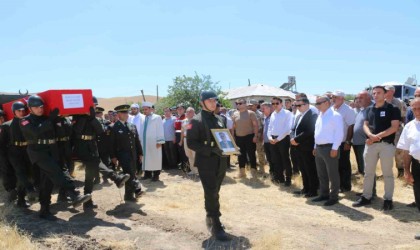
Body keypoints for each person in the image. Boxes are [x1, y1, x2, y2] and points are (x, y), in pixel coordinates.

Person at [19, 95, 92, 219]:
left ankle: (44, 210)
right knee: (56, 172)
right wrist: (51, 120)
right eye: (36, 107)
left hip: (52, 150)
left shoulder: (47, 118)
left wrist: (60, 117)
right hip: (38, 153)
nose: (40, 109)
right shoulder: (25, 121)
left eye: (41, 107)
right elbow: (36, 132)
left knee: (47, 182)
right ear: (30, 108)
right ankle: (74, 194)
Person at [72, 96, 130, 210]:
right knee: (95, 162)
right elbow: (77, 130)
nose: (94, 107)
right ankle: (115, 178)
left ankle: (87, 201)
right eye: (92, 105)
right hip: (81, 145)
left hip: (92, 145)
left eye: (95, 105)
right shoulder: (78, 115)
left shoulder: (94, 118)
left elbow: (100, 131)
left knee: (90, 173)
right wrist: (85, 116)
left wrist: (92, 118)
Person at [187, 90, 230, 241]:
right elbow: (191, 143)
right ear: (202, 102)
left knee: (215, 190)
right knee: (210, 191)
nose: (213, 103)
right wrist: (211, 150)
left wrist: (231, 147)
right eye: (210, 100)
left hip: (221, 160)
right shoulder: (196, 120)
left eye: (215, 100)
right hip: (206, 161)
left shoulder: (219, 118)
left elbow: (224, 137)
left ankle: (210, 215)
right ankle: (216, 223)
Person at [352, 85, 401, 211]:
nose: (375, 95)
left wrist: (377, 136)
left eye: (378, 93)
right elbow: (365, 125)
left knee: (387, 174)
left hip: (386, 145)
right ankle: (366, 197)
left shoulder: (393, 108)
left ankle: (388, 200)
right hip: (371, 145)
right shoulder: (369, 109)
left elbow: (394, 127)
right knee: (368, 173)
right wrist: (370, 135)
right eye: (374, 93)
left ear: (385, 94)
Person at [0, 101, 37, 207]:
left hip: (27, 150)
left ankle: (21, 199)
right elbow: (2, 143)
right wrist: (4, 159)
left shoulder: (29, 123)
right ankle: (30, 189)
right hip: (14, 152)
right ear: (14, 112)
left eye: (23, 110)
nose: (21, 112)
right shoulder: (7, 125)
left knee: (27, 173)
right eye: (18, 111)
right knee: (20, 172)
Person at [312, 95, 343, 206]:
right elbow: (317, 132)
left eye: (318, 103)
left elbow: (339, 133)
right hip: (319, 148)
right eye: (316, 103)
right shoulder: (320, 116)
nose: (317, 106)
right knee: (322, 173)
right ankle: (324, 194)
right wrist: (315, 146)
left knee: (332, 174)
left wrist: (335, 148)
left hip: (330, 148)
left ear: (326, 103)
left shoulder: (335, 115)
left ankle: (334, 197)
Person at [110, 105, 143, 202]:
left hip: (134, 154)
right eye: (124, 113)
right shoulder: (114, 127)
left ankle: (129, 195)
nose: (127, 114)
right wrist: (113, 157)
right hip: (123, 155)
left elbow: (137, 141)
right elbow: (111, 144)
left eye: (127, 112)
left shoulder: (132, 126)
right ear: (119, 114)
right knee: (130, 173)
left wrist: (140, 153)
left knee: (131, 173)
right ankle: (137, 189)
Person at [290, 98, 319, 197]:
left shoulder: (313, 115)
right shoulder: (299, 116)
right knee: (303, 169)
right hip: (298, 147)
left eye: (299, 105)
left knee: (310, 169)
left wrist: (296, 140)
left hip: (307, 147)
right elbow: (293, 129)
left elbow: (310, 131)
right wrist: (292, 138)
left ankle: (313, 190)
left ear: (307, 104)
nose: (297, 107)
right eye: (296, 105)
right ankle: (305, 188)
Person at [397, 97, 420, 213]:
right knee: (419, 197)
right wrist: (406, 170)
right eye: (414, 109)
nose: (417, 112)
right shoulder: (409, 126)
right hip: (417, 166)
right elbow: (406, 151)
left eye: (419, 108)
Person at [331, 90, 356, 192]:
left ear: (341, 98)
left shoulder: (348, 110)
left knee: (344, 164)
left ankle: (345, 186)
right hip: (333, 142)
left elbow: (351, 126)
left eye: (335, 97)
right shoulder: (332, 108)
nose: (333, 99)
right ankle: (338, 185)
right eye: (332, 97)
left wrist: (348, 141)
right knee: (335, 165)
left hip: (343, 142)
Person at [267, 97, 293, 186]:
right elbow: (270, 127)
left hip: (283, 139)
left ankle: (288, 179)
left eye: (276, 103)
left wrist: (278, 139)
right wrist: (270, 137)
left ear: (281, 104)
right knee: (275, 159)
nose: (274, 105)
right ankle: (279, 178)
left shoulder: (287, 113)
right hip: (273, 139)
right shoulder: (273, 114)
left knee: (285, 159)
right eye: (273, 103)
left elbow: (288, 128)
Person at [384, 84, 407, 177]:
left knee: (398, 152)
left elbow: (403, 116)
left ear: (392, 91)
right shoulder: (382, 102)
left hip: (397, 131)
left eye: (386, 90)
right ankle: (386, 173)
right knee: (385, 152)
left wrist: (399, 126)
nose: (384, 92)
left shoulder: (399, 102)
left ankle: (400, 171)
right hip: (384, 131)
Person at [232, 98, 259, 178]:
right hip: (239, 137)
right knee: (240, 155)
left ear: (245, 104)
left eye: (240, 103)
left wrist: (255, 135)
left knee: (251, 154)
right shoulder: (235, 114)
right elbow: (233, 126)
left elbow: (255, 125)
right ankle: (242, 172)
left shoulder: (251, 113)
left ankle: (253, 171)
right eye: (237, 103)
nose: (238, 105)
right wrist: (233, 136)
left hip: (249, 137)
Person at [139, 102, 165, 181]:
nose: (145, 111)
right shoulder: (143, 118)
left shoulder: (157, 117)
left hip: (154, 142)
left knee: (155, 158)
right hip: (144, 143)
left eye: (146, 109)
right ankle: (147, 174)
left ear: (151, 109)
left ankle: (156, 175)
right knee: (146, 158)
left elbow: (160, 129)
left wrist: (160, 141)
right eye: (143, 110)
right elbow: (141, 130)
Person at [352, 91, 372, 175]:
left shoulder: (372, 109)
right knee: (359, 158)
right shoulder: (361, 110)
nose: (358, 100)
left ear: (368, 98)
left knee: (365, 160)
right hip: (356, 140)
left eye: (361, 98)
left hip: (365, 141)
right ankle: (361, 172)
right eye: (357, 98)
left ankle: (366, 174)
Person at [248, 99, 266, 173]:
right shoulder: (248, 114)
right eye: (249, 105)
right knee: (251, 152)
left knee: (260, 151)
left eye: (251, 105)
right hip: (249, 135)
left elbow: (263, 125)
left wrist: (261, 135)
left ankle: (262, 168)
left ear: (255, 105)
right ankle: (253, 167)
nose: (250, 107)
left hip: (258, 135)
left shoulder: (260, 114)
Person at [180, 107, 198, 175]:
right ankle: (193, 170)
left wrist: (186, 127)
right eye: (187, 111)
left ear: (193, 112)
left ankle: (198, 171)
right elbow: (182, 131)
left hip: (193, 140)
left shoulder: (196, 120)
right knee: (189, 155)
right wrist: (181, 140)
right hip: (185, 139)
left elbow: (190, 128)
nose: (188, 113)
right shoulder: (184, 121)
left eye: (190, 111)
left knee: (195, 155)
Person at [128, 103, 144, 173]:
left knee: (141, 154)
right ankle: (138, 169)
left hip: (141, 139)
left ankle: (142, 169)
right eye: (132, 109)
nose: (133, 110)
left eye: (134, 109)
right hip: (134, 140)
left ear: (138, 109)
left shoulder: (142, 117)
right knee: (136, 155)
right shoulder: (132, 118)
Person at [174, 104, 188, 170]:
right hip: (177, 135)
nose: (179, 110)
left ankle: (186, 166)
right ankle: (182, 165)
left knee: (184, 152)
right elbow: (175, 128)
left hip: (183, 136)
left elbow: (189, 127)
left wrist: (182, 139)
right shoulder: (177, 117)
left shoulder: (186, 117)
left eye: (181, 109)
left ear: (184, 109)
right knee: (180, 151)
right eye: (178, 109)